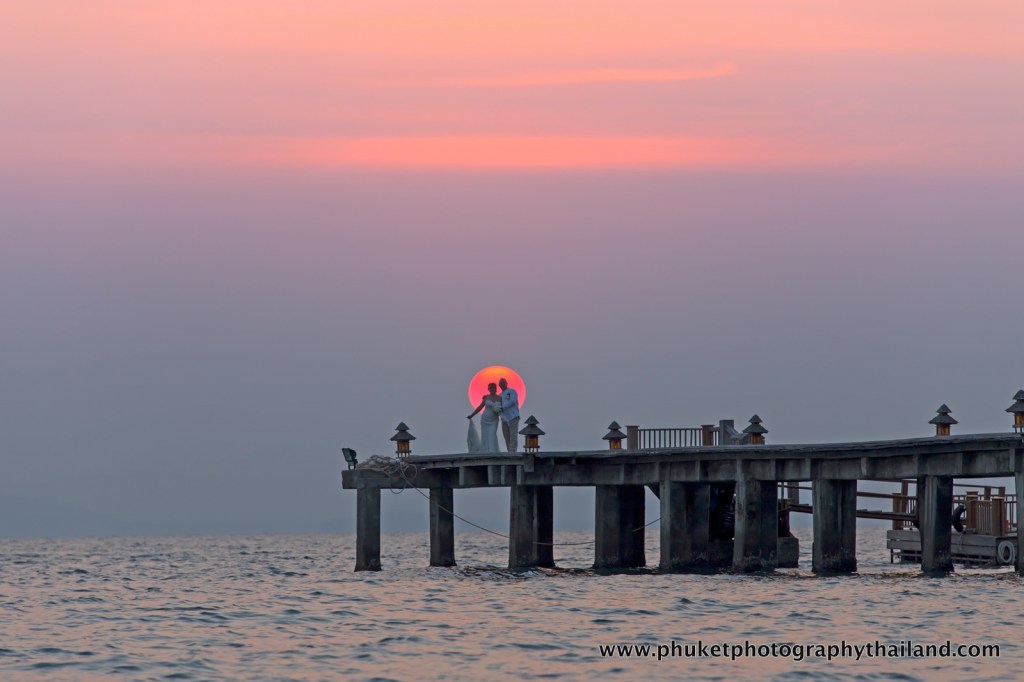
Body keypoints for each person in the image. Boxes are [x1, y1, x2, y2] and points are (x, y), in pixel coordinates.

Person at [467, 382, 502, 452]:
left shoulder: (500, 398)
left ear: (496, 389)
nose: (492, 389)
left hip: (494, 419)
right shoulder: (486, 398)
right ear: (488, 389)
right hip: (485, 419)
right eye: (490, 388)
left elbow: (503, 408)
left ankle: (493, 450)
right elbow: (479, 407)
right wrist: (472, 415)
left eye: (493, 388)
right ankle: (486, 450)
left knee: (492, 434)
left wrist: (499, 411)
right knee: (485, 435)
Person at [498, 377, 520, 452]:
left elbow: (512, 401)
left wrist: (503, 407)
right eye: (501, 383)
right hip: (504, 419)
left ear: (507, 383)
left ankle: (513, 452)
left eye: (503, 382)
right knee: (506, 436)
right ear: (499, 385)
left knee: (513, 436)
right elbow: (497, 406)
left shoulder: (511, 391)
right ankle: (509, 452)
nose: (502, 384)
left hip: (513, 416)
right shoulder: (500, 395)